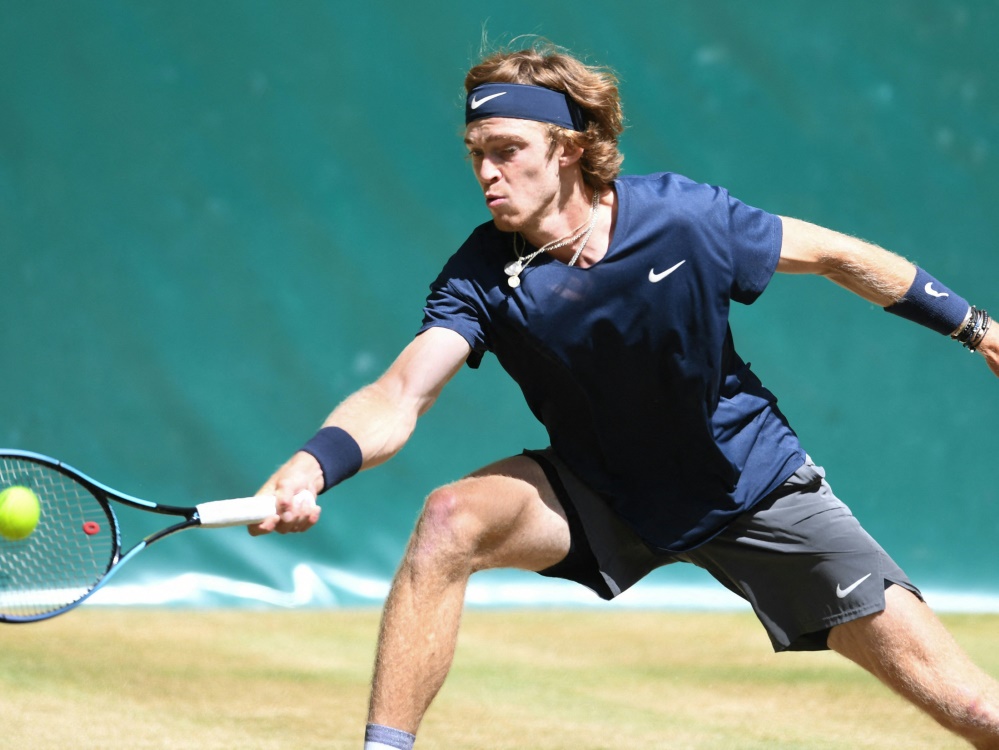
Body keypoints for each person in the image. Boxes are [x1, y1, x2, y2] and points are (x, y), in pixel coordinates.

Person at [250, 40, 999, 749]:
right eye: (477, 154)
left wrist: (977, 329)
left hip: (753, 488)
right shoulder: (479, 272)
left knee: (979, 713)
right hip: (602, 491)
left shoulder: (687, 219)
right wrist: (315, 466)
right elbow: (400, 393)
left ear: (568, 148)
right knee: (449, 519)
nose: (487, 173)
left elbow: (839, 255)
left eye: (506, 150)